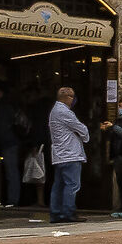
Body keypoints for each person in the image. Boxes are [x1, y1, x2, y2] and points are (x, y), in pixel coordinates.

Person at [45, 85, 88, 222]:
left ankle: (56, 212)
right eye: (72, 97)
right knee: (72, 184)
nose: (74, 100)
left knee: (59, 185)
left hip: (60, 154)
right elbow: (80, 127)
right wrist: (86, 135)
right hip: (69, 154)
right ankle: (67, 212)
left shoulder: (55, 111)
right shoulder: (64, 112)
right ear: (67, 97)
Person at [0, 87, 34, 208]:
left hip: (9, 142)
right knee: (10, 172)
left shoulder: (5, 106)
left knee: (11, 173)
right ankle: (11, 199)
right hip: (9, 142)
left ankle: (13, 200)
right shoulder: (8, 105)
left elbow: (2, 126)